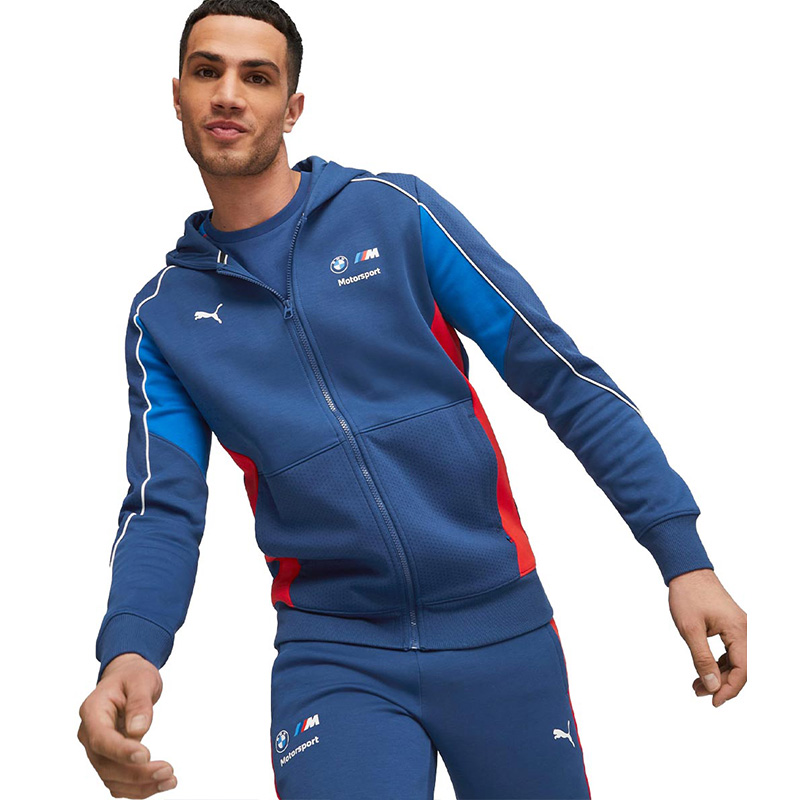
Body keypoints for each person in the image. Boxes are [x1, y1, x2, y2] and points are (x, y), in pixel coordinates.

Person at [76, 1, 748, 798]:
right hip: (333, 655)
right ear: (177, 95)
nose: (228, 94)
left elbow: (562, 379)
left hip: (502, 629)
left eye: (256, 77)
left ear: (291, 108)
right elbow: (162, 506)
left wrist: (682, 556)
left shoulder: (394, 214)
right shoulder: (164, 316)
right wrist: (130, 651)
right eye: (206, 71)